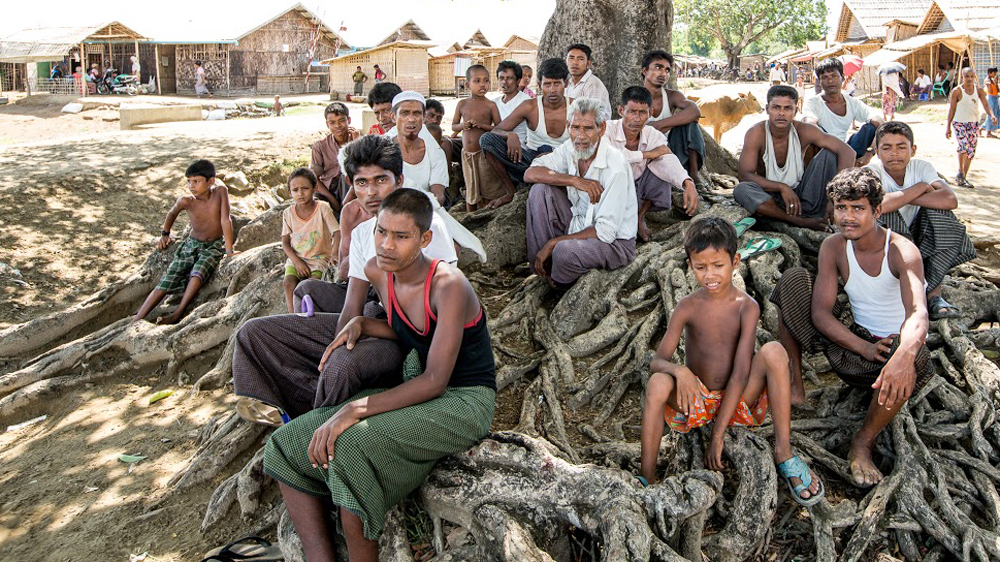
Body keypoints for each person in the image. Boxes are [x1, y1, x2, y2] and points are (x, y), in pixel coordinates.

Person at [263, 188, 496, 562]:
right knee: (284, 442)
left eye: (401, 236)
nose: (387, 245)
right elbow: (412, 331)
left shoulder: (448, 285)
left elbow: (436, 379)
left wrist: (354, 409)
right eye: (381, 232)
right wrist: (364, 323)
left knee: (349, 446)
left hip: (464, 399)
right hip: (416, 386)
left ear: (425, 239)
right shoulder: (378, 270)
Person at [233, 136, 458, 426]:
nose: (371, 192)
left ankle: (310, 425)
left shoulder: (426, 227)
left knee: (341, 366)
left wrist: (353, 337)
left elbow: (435, 318)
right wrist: (334, 343)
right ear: (352, 184)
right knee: (253, 332)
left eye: (381, 180)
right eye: (362, 183)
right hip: (375, 317)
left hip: (410, 339)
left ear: (399, 180)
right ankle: (297, 404)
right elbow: (353, 303)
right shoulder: (365, 232)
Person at [640, 217, 823, 504]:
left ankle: (784, 452)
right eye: (701, 267)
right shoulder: (687, 306)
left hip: (738, 400)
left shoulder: (746, 307)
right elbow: (657, 362)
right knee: (658, 383)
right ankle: (646, 478)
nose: (710, 275)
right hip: (697, 401)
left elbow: (740, 373)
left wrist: (718, 435)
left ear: (735, 262)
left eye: (718, 265)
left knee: (774, 351)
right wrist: (680, 371)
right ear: (690, 266)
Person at [771, 167, 933, 487]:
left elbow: (918, 312)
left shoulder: (902, 251)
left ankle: (863, 441)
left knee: (914, 356)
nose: (848, 217)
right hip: (853, 346)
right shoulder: (834, 246)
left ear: (877, 210)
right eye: (841, 208)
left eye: (858, 208)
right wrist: (863, 347)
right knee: (793, 280)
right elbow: (821, 314)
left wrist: (903, 354)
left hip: (889, 359)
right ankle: (795, 383)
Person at [866, 121, 976, 319]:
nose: (894, 153)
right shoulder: (872, 172)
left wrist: (900, 198)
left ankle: (934, 295)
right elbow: (879, 206)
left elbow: (950, 200)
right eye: (887, 148)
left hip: (919, 235)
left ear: (913, 150)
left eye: (901, 147)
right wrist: (920, 188)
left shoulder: (922, 167)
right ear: (877, 152)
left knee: (941, 214)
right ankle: (899, 295)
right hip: (887, 242)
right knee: (884, 213)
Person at [523, 97, 637, 286]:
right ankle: (543, 269)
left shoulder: (616, 167)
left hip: (614, 243)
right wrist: (575, 181)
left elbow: (605, 232)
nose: (581, 136)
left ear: (601, 129)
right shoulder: (570, 148)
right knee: (539, 191)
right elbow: (530, 173)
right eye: (575, 127)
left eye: (588, 128)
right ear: (568, 127)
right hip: (579, 223)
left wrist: (554, 243)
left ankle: (559, 284)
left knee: (563, 251)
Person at [734, 85, 855, 230]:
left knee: (829, 154)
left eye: (787, 108)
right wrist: (782, 187)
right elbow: (744, 175)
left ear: (795, 111)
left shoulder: (804, 130)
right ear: (767, 109)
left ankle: (812, 214)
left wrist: (836, 197)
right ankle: (798, 221)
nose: (781, 113)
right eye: (776, 107)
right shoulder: (756, 133)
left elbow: (847, 152)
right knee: (742, 190)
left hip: (804, 195)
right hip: (772, 198)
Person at [134, 159, 235, 324]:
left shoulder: (220, 192)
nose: (191, 186)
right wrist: (165, 234)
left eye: (196, 181)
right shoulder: (186, 201)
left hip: (214, 245)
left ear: (211, 181)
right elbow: (172, 213)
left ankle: (178, 312)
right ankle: (137, 318)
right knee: (170, 276)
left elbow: (226, 220)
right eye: (189, 181)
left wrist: (229, 251)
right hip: (191, 244)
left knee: (198, 272)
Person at [393, 91, 487, 260]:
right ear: (394, 117)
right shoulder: (383, 150)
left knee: (452, 247)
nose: (411, 119)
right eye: (404, 113)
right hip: (389, 211)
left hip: (425, 211)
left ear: (423, 118)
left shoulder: (435, 152)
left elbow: (439, 196)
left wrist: (425, 205)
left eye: (417, 113)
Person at [603, 86, 698, 241]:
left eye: (642, 113)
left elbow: (667, 159)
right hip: (610, 188)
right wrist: (647, 154)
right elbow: (613, 158)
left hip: (638, 185)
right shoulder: (607, 129)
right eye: (632, 112)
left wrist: (687, 183)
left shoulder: (652, 134)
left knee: (661, 170)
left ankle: (639, 217)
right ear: (620, 110)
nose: (637, 118)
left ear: (650, 113)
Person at [480, 58, 572, 206]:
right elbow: (497, 129)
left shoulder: (577, 106)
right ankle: (511, 192)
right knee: (486, 140)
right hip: (531, 161)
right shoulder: (530, 106)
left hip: (565, 162)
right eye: (547, 84)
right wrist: (510, 134)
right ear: (540, 85)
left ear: (566, 83)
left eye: (557, 84)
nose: (552, 90)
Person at [641, 51, 707, 188]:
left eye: (667, 70)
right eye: (658, 67)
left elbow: (695, 111)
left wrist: (658, 125)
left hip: (672, 150)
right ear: (645, 71)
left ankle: (694, 174)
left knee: (690, 124)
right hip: (647, 152)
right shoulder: (635, 96)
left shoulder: (672, 96)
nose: (663, 74)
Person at [801, 58, 883, 165]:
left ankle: (851, 161)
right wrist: (838, 149)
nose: (830, 81)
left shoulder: (852, 102)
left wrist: (869, 154)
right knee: (812, 132)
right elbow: (809, 124)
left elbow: (880, 122)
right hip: (823, 150)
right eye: (825, 77)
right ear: (819, 82)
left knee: (870, 128)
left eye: (834, 76)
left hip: (847, 149)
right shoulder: (813, 103)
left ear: (842, 77)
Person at [281, 168, 339, 313]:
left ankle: (309, 314)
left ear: (315, 188)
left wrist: (334, 253)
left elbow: (337, 232)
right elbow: (285, 242)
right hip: (298, 258)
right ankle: (293, 315)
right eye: (295, 190)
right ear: (289, 192)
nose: (300, 193)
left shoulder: (323, 208)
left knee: (310, 285)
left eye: (305, 188)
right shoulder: (288, 213)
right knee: (288, 283)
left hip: (319, 258)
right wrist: (297, 262)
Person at [450, 65, 504, 211]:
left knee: (488, 187)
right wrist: (462, 126)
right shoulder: (462, 104)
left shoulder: (490, 105)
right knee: (471, 187)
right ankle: (470, 216)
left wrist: (482, 126)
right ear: (468, 85)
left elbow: (500, 129)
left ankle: (487, 214)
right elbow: (454, 126)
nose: (482, 85)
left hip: (484, 155)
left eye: (486, 81)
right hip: (467, 155)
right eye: (477, 81)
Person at [946, 67, 998, 188]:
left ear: (975, 77)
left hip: (973, 124)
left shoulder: (979, 91)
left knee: (971, 151)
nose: (969, 79)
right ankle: (960, 171)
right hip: (959, 123)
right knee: (963, 146)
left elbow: (986, 104)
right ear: (962, 77)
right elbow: (952, 109)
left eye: (971, 76)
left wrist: (992, 115)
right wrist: (948, 126)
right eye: (966, 76)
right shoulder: (957, 91)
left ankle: (963, 177)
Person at [310, 102, 360, 212]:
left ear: (349, 120)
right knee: (313, 201)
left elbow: (363, 168)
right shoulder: (320, 146)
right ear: (327, 124)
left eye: (341, 121)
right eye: (332, 123)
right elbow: (314, 178)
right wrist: (332, 200)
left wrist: (357, 144)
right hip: (327, 192)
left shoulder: (358, 140)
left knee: (345, 174)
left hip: (351, 189)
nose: (337, 126)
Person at [564, 43, 612, 118]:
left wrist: (569, 101)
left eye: (580, 59)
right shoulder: (568, 82)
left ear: (588, 63)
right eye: (571, 58)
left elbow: (595, 116)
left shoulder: (593, 85)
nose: (575, 62)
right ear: (566, 61)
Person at [984, 68, 999, 139]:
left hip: (995, 98)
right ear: (990, 73)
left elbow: (997, 90)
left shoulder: (993, 80)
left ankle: (982, 128)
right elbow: (990, 91)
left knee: (995, 114)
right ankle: (988, 133)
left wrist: (996, 82)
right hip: (991, 99)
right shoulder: (987, 80)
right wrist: (990, 84)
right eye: (994, 73)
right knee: (990, 115)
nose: (995, 74)